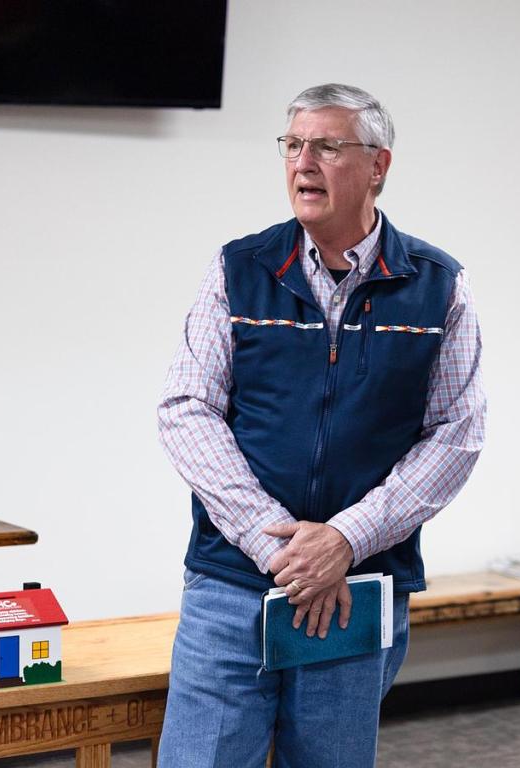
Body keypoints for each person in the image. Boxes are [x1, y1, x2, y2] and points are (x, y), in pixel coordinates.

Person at [155, 83, 486, 767]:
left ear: (378, 166)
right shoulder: (239, 269)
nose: (303, 162)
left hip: (355, 591)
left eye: (328, 146)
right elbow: (187, 409)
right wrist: (278, 546)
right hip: (232, 585)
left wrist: (345, 539)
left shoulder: (439, 286)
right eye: (293, 145)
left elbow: (456, 434)